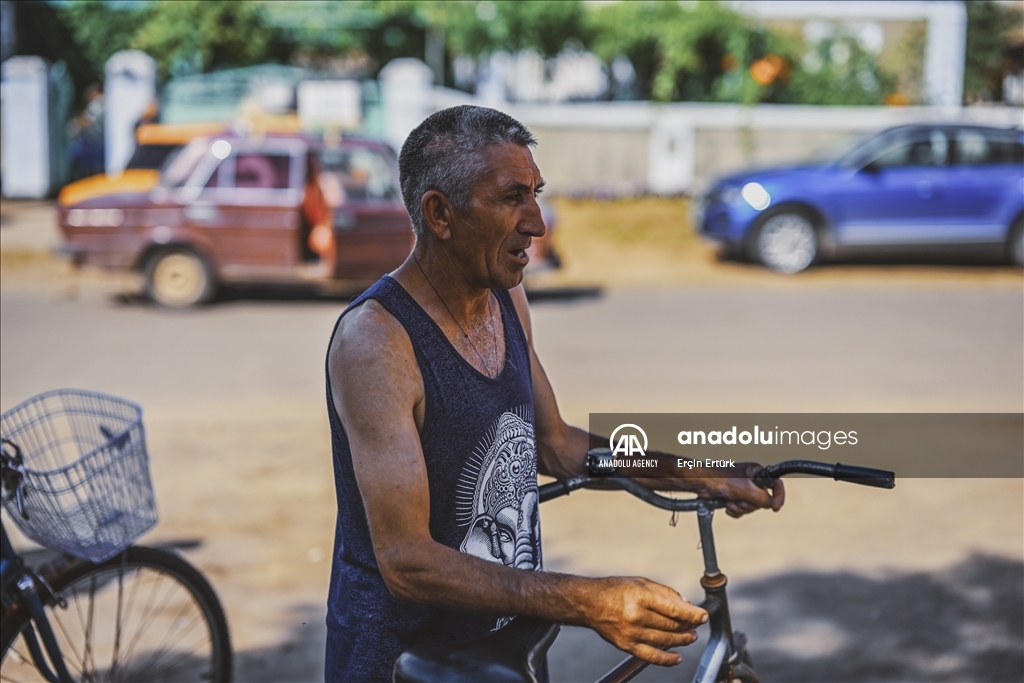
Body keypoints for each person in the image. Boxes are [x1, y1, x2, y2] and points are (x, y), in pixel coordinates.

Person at [324, 105, 784, 682]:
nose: (537, 223)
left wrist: (699, 472)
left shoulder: (504, 299)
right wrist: (589, 600)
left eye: (536, 193)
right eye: (511, 197)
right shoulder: (378, 343)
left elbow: (557, 443)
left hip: (506, 650)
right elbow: (407, 561)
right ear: (440, 214)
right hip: (407, 666)